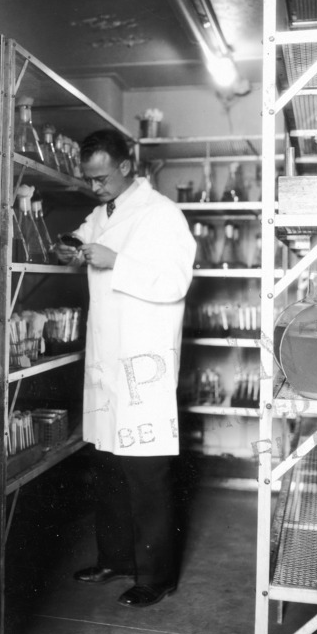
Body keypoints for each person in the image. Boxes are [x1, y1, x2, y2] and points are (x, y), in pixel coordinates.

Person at [55, 129, 196, 608]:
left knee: (145, 470)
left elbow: (175, 280)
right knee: (108, 464)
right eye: (89, 180)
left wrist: (119, 262)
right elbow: (87, 236)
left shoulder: (161, 214)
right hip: (107, 360)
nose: (95, 187)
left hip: (142, 362)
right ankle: (115, 557)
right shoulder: (103, 212)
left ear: (125, 166)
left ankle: (156, 576)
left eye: (101, 178)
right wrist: (71, 247)